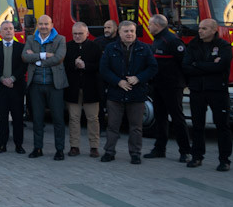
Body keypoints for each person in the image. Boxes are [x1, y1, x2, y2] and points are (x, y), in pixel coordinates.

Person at [99, 20, 157, 164]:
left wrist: (138, 78)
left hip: (136, 94)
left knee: (136, 127)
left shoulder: (145, 48)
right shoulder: (110, 48)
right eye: (126, 31)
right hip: (115, 94)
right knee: (112, 126)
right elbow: (104, 69)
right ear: (119, 33)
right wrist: (118, 81)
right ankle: (109, 152)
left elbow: (153, 68)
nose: (129, 34)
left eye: (132, 31)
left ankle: (135, 154)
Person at [182, 18, 232, 171]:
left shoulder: (223, 46)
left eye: (204, 28)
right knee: (197, 125)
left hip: (217, 91)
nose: (200, 31)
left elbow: (222, 66)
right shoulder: (193, 45)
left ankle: (224, 160)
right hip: (197, 91)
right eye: (199, 28)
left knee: (222, 126)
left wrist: (197, 64)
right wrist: (210, 65)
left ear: (213, 30)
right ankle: (197, 156)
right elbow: (186, 66)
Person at [146, 14, 192, 162]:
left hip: (172, 86)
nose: (148, 27)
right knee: (160, 118)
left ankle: (185, 151)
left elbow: (183, 63)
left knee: (177, 118)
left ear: (157, 25)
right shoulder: (158, 39)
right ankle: (160, 148)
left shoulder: (171, 40)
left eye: (150, 24)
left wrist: (183, 83)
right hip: (158, 85)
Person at [22, 15, 68, 160]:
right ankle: (38, 148)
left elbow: (58, 58)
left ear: (52, 25)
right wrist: (43, 55)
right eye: (41, 24)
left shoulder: (60, 39)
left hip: (55, 85)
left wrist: (37, 60)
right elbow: (24, 57)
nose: (43, 27)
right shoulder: (30, 39)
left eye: (46, 24)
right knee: (37, 119)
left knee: (58, 119)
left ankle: (59, 150)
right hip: (35, 85)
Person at [63, 22, 102, 157]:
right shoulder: (67, 47)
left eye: (80, 34)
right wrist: (74, 65)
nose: (77, 36)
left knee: (93, 118)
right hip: (73, 89)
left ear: (87, 34)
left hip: (91, 89)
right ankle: (74, 146)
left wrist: (85, 65)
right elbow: (63, 66)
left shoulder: (95, 47)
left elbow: (100, 66)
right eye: (75, 34)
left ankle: (94, 147)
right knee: (73, 119)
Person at [0, 21, 27, 154]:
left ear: (14, 31)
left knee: (18, 118)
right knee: (2, 118)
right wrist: (2, 79)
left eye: (11, 29)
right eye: (5, 29)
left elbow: (23, 67)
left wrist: (12, 79)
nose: (8, 31)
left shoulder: (21, 47)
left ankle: (19, 145)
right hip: (1, 89)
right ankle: (1, 145)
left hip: (16, 88)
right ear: (0, 32)